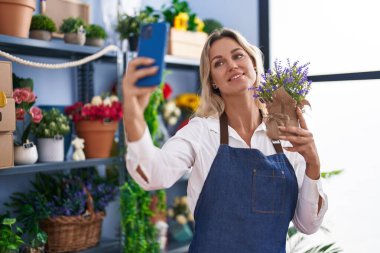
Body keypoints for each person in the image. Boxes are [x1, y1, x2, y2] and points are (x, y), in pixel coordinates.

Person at [122, 28, 328, 253]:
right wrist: (132, 110)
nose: (232, 65)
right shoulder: (201, 132)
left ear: (253, 64)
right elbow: (153, 174)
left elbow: (308, 224)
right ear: (213, 82)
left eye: (238, 55)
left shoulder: (286, 135)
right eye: (219, 63)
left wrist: (313, 164)